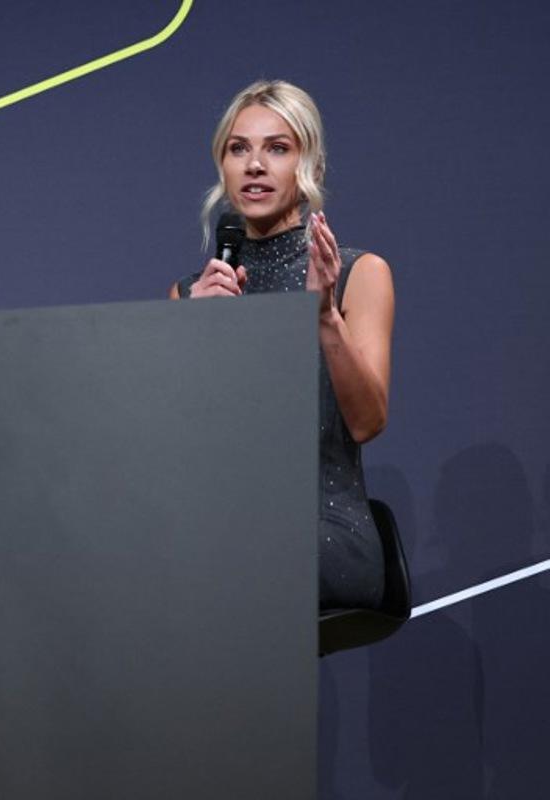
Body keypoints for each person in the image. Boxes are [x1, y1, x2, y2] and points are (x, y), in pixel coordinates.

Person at [170, 80, 395, 611]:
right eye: (238, 148)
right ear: (221, 166)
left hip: (326, 531)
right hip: (224, 530)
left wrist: (323, 318)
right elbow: (178, 453)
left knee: (214, 578)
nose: (254, 165)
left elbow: (367, 422)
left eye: (277, 147)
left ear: (308, 164)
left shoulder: (359, 274)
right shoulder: (192, 294)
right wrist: (194, 340)